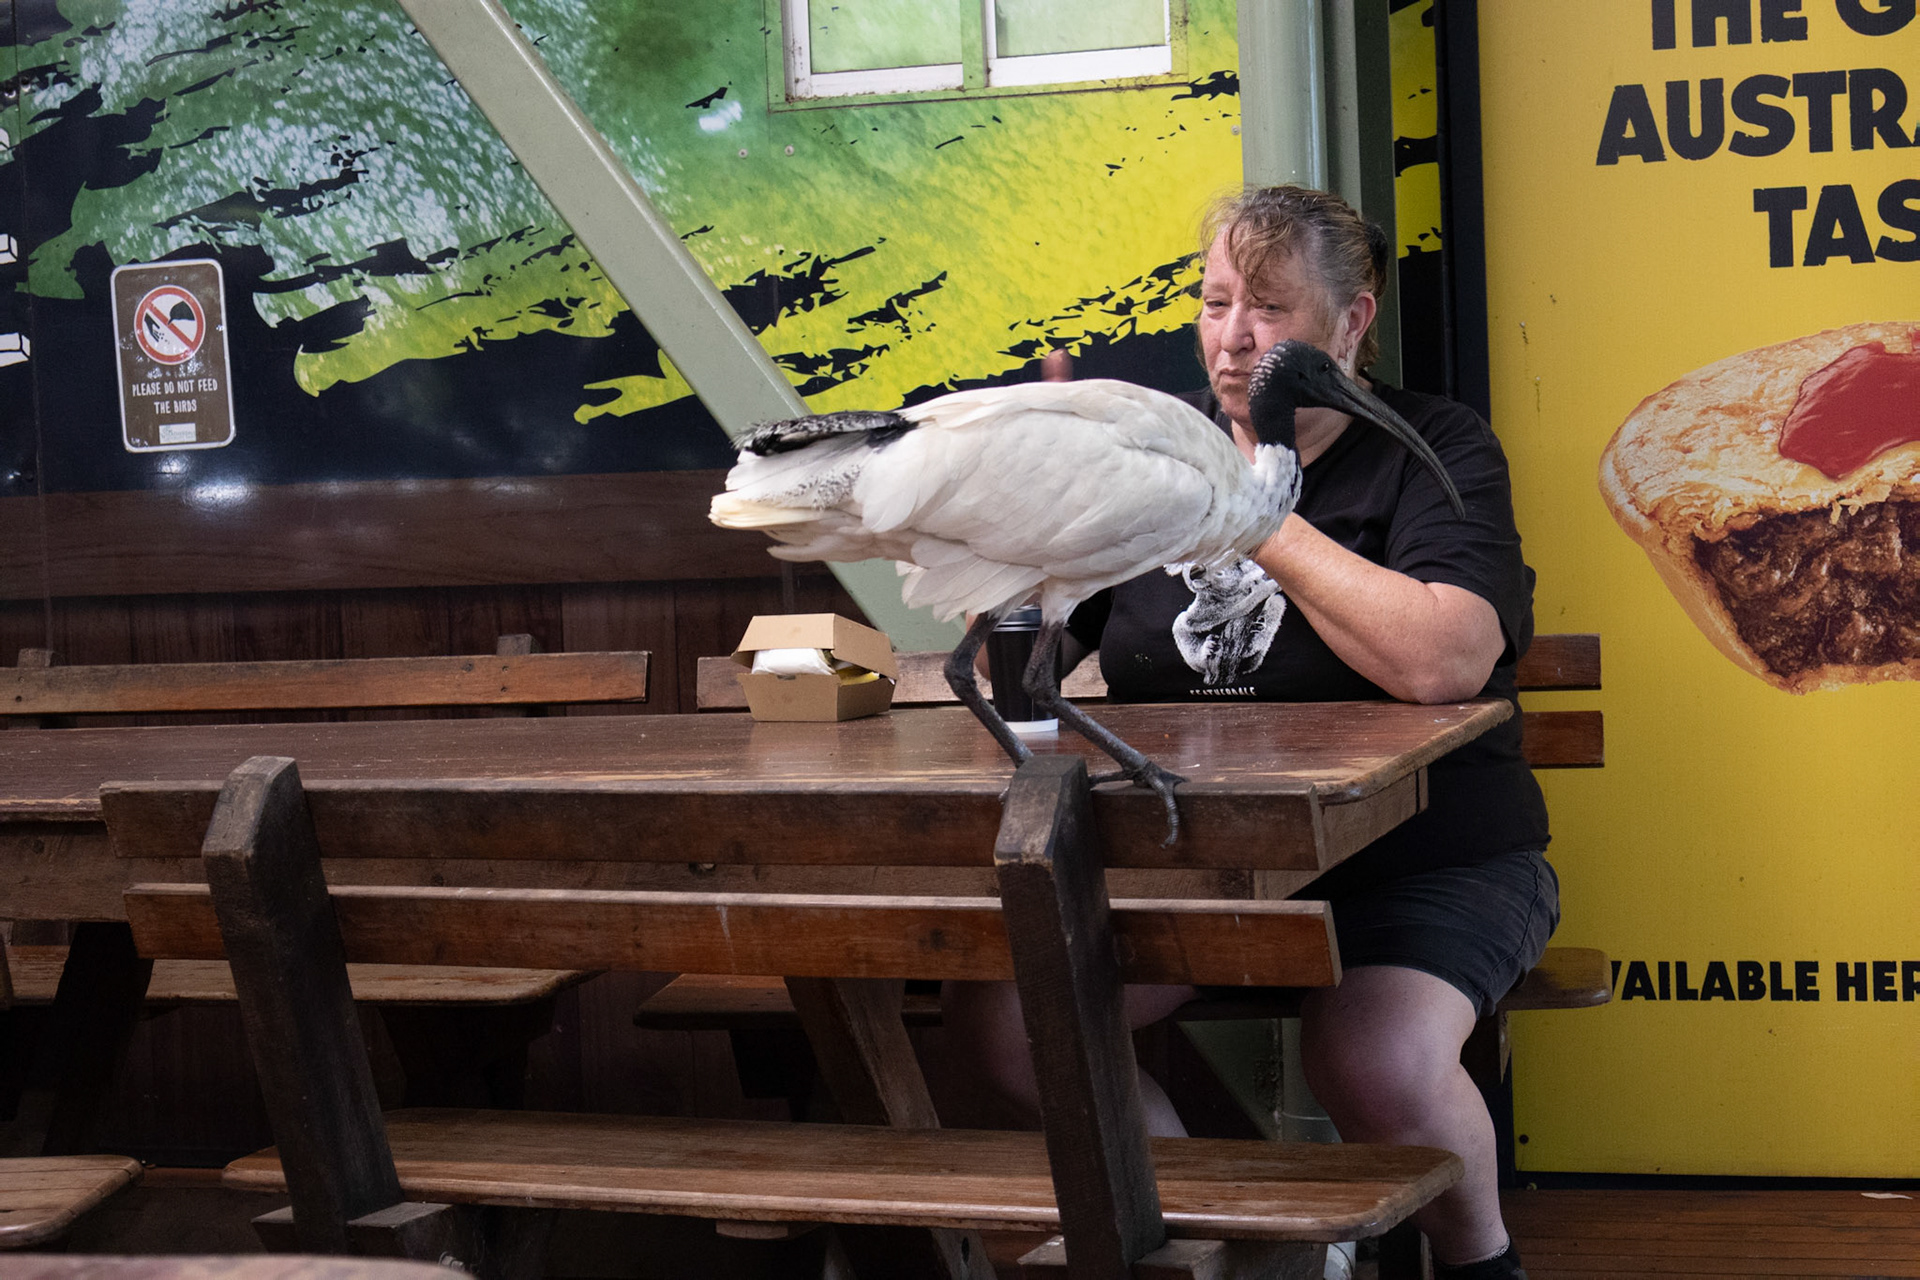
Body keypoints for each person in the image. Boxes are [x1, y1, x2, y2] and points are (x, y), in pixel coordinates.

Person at [942, 184, 1553, 1280]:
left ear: (1351, 322)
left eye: (1269, 307)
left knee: (1375, 1062)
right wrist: (1026, 520)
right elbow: (1013, 664)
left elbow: (1444, 661)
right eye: (1216, 301)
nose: (1232, 338)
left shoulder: (1434, 447)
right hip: (1201, 862)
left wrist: (1247, 503)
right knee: (1015, 1026)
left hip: (1421, 858)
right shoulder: (1148, 451)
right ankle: (1212, 1236)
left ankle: (1481, 1266)